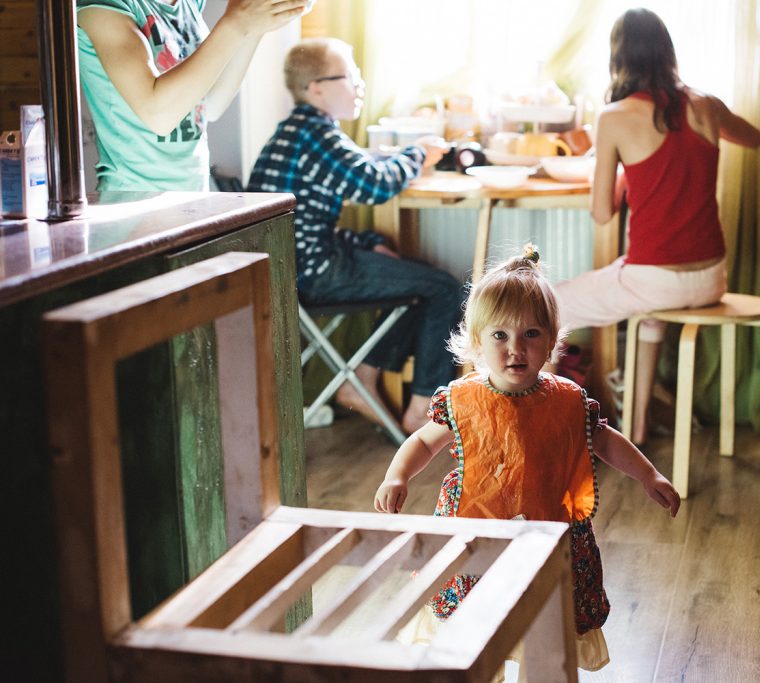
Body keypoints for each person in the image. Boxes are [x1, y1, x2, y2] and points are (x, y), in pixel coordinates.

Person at [374, 245, 681, 672]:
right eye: (500, 335)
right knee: (474, 628)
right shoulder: (463, 399)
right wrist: (397, 476)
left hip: (552, 534)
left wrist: (649, 475)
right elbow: (425, 442)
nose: (515, 348)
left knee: (546, 629)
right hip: (475, 532)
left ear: (552, 340)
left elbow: (605, 440)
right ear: (477, 341)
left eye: (530, 335)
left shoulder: (568, 400)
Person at [551, 8, 760, 444]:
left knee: (547, 305)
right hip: (710, 278)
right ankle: (638, 429)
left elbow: (602, 213)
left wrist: (628, 170)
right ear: (668, 51)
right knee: (648, 316)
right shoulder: (706, 104)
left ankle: (544, 429)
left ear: (619, 59)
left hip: (657, 280)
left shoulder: (614, 116)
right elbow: (754, 138)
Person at [248, 38, 462, 434]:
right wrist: (418, 154)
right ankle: (423, 411)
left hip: (291, 270)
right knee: (445, 288)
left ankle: (360, 380)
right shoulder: (317, 136)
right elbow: (372, 185)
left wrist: (364, 243)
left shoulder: (296, 132)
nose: (360, 85)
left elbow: (306, 221)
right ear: (316, 88)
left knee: (412, 278)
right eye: (350, 76)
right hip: (313, 273)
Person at [77, 0, 308, 191]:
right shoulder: (102, 6)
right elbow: (158, 114)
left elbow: (211, 105)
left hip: (195, 193)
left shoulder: (190, 3)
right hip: (132, 201)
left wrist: (254, 28)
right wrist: (236, 24)